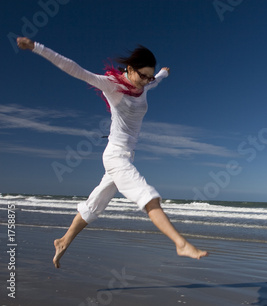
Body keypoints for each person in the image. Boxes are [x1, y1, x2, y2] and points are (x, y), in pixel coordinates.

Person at [17, 37, 208, 268]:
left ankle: (63, 241)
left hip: (127, 154)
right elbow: (75, 70)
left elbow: (155, 81)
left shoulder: (145, 83)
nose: (146, 81)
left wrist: (163, 74)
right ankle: (180, 243)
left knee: (95, 204)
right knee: (147, 194)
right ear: (129, 69)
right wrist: (37, 47)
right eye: (143, 76)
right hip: (115, 156)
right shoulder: (111, 85)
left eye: (150, 76)